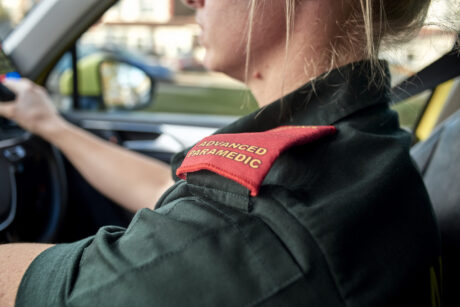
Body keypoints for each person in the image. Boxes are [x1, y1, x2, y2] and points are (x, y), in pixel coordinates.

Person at [0, 0, 443, 306]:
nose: (190, 0)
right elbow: (164, 189)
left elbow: (30, 290)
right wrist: (49, 125)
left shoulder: (263, 226)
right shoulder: (360, 146)